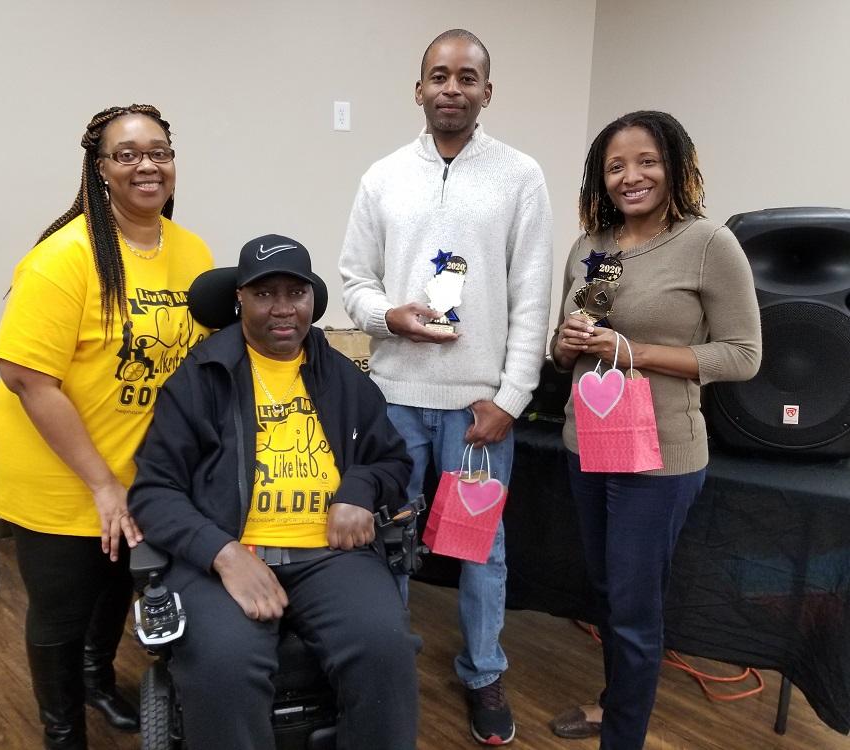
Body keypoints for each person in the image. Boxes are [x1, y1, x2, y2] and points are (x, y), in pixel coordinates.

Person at [339, 28, 553, 746]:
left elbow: (532, 299)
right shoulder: (382, 177)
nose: (452, 88)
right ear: (419, 88)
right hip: (395, 402)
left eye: (467, 77)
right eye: (439, 75)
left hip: (476, 412)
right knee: (389, 542)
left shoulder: (520, 177)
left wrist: (510, 399)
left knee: (481, 551)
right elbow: (353, 284)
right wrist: (387, 316)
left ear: (487, 92)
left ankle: (483, 671)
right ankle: (385, 657)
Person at [128, 235, 420, 750]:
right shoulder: (200, 379)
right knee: (222, 664)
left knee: (384, 647)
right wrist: (221, 554)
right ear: (239, 298)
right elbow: (155, 491)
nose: (283, 309)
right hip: (227, 552)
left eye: (296, 293)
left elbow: (392, 459)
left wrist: (359, 488)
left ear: (312, 299)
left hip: (331, 555)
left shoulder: (343, 379)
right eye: (265, 295)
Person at [0, 104, 213, 749]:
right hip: (59, 474)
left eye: (159, 151)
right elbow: (27, 377)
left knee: (119, 586)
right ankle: (62, 732)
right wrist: (100, 483)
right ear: (100, 170)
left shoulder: (191, 251)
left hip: (139, 470)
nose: (147, 164)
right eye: (127, 153)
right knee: (61, 609)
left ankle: (96, 679)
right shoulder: (64, 258)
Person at [548, 110, 762, 749]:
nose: (630, 176)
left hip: (659, 458)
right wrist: (564, 345)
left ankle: (624, 736)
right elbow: (569, 355)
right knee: (609, 593)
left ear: (676, 165)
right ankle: (614, 703)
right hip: (584, 444)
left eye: (647, 161)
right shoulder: (590, 248)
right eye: (616, 166)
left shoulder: (707, 244)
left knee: (635, 611)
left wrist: (632, 350)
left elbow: (743, 355)